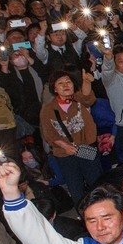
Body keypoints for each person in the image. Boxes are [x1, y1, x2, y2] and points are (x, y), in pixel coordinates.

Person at [38, 71, 99, 204]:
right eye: (60, 83)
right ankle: (83, 216)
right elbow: (48, 133)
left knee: (97, 183)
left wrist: (87, 82)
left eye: (68, 82)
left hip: (86, 148)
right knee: (75, 187)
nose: (65, 85)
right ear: (54, 88)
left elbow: (89, 98)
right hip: (64, 153)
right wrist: (65, 146)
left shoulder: (79, 100)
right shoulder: (48, 109)